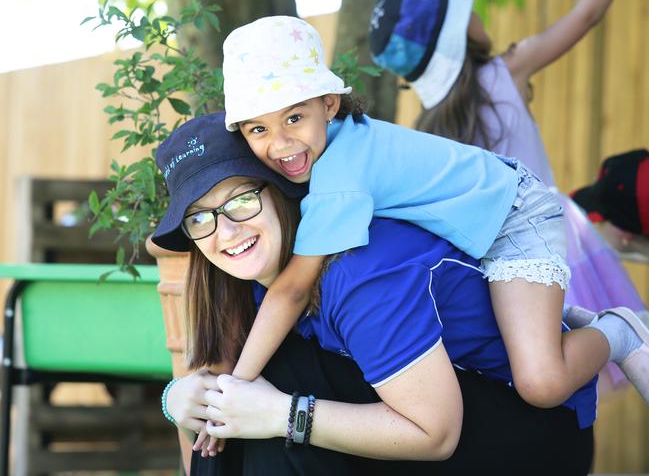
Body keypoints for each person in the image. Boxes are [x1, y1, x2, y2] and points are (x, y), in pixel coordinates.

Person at [218, 12, 649, 411]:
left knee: (542, 384)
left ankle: (619, 331)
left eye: (294, 118)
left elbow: (293, 289)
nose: (279, 143)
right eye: (259, 128)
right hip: (485, 217)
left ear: (329, 105)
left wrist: (237, 384)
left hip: (515, 217)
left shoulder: (340, 176)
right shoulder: (337, 147)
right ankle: (557, 318)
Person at [152, 111, 596, 475]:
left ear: (283, 192)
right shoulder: (247, 274)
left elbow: (437, 433)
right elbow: (227, 385)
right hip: (445, 411)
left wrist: (281, 415)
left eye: (241, 199)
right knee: (242, 401)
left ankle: (616, 332)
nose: (226, 230)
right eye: (199, 219)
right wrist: (180, 397)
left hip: (524, 434)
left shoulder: (357, 271)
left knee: (278, 391)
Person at [368, 0, 649, 394]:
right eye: (470, 13)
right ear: (459, 32)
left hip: (494, 271)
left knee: (551, 385)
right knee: (578, 377)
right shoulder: (504, 73)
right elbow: (587, 14)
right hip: (552, 243)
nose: (480, 17)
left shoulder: (426, 132)